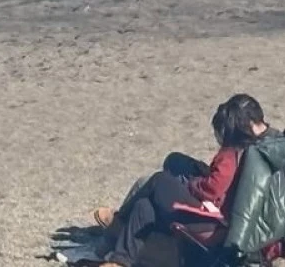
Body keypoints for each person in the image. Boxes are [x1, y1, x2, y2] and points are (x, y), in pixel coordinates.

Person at [94, 96, 268, 267]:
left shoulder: (232, 153)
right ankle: (119, 261)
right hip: (221, 216)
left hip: (214, 219)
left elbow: (213, 189)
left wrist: (193, 184)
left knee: (158, 181)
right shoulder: (257, 149)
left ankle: (117, 222)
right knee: (143, 205)